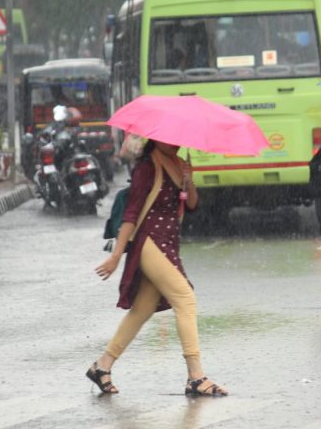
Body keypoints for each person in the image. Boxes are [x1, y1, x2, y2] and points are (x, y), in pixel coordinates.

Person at [88, 139, 228, 397]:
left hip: (168, 242)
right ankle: (195, 376)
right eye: (170, 138)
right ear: (156, 138)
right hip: (150, 242)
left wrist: (189, 179)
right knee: (185, 298)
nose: (175, 143)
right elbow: (131, 214)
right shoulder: (147, 167)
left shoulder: (177, 164)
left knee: (143, 309)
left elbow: (193, 205)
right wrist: (116, 255)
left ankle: (102, 366)